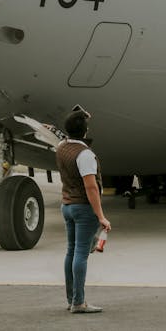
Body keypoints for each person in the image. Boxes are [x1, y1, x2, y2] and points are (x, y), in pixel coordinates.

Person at [56, 107, 111, 314]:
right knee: (81, 254)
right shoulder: (85, 155)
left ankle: (72, 299)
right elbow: (91, 187)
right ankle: (79, 303)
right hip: (83, 208)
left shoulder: (61, 147)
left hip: (67, 205)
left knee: (71, 252)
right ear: (85, 130)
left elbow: (65, 135)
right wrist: (101, 217)